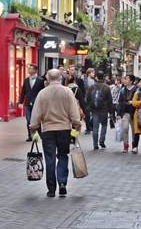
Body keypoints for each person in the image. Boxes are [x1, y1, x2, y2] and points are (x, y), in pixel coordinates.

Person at [30, 69, 81, 198]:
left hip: (48, 130)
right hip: (64, 129)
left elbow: (36, 114)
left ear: (48, 78)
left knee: (50, 158)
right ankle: (62, 182)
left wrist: (34, 129)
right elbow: (74, 113)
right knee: (63, 155)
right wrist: (76, 126)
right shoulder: (67, 92)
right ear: (60, 78)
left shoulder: (42, 94)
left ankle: (51, 189)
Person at [86, 71, 114, 150]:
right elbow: (110, 100)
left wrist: (89, 108)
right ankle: (101, 141)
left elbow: (87, 98)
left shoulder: (91, 87)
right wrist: (111, 112)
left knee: (95, 127)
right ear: (103, 77)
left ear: (96, 77)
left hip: (94, 110)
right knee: (104, 126)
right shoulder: (106, 87)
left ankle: (95, 144)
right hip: (104, 110)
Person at [18, 64, 44, 142]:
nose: (29, 70)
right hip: (28, 103)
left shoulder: (40, 80)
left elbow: (43, 92)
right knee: (28, 120)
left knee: (37, 120)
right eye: (28, 69)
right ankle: (30, 136)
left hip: (37, 103)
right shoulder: (26, 80)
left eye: (31, 69)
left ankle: (38, 135)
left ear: (35, 70)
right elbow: (23, 92)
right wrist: (20, 102)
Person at [117, 75, 137, 153]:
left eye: (126, 79)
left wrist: (133, 103)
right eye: (124, 79)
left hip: (134, 112)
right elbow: (120, 102)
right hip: (125, 112)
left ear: (131, 81)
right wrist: (118, 113)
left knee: (134, 130)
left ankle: (134, 146)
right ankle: (126, 145)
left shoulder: (136, 90)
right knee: (125, 128)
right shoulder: (122, 90)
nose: (124, 80)